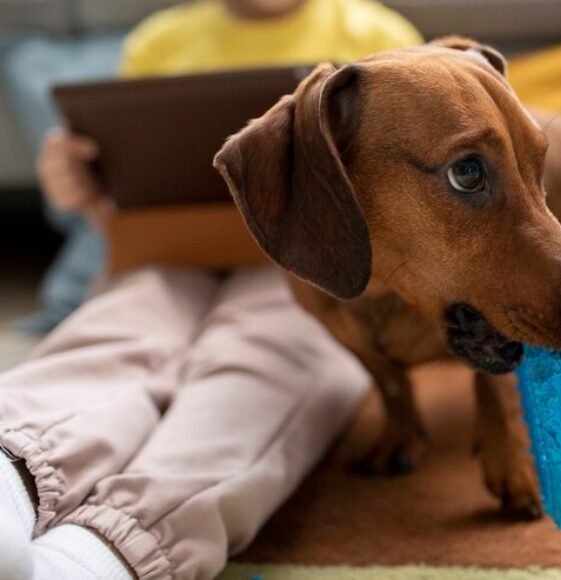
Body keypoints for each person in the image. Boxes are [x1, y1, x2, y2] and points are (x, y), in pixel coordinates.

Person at [0, 1, 422, 578]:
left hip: (304, 268)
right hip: (167, 253)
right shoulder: (161, 41)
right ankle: (9, 469)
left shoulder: (377, 35)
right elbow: (115, 197)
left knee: (273, 357)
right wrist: (76, 181)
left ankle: (98, 554)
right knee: (116, 333)